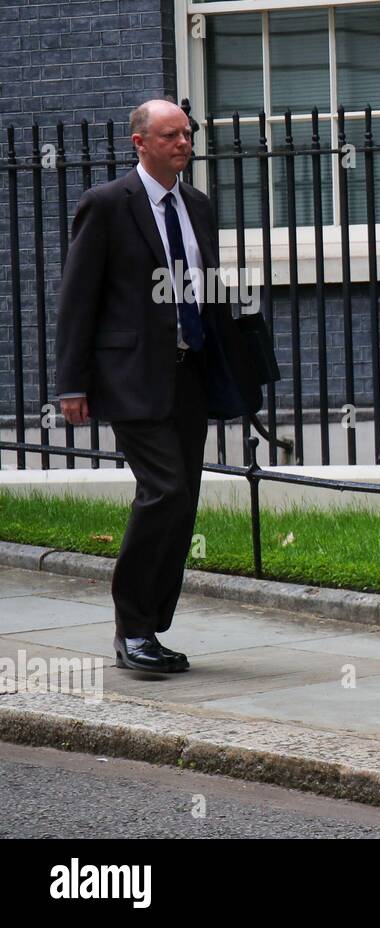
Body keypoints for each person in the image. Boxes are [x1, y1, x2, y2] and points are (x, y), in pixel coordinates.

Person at [54, 98, 261, 674]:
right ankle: (133, 628)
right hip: (131, 377)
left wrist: (238, 355)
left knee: (184, 497)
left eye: (188, 135)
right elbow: (78, 300)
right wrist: (71, 383)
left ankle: (151, 626)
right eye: (170, 135)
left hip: (188, 373)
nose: (183, 144)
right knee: (164, 490)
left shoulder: (197, 205)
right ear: (140, 143)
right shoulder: (106, 205)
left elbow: (205, 286)